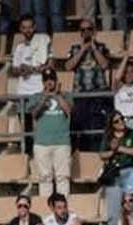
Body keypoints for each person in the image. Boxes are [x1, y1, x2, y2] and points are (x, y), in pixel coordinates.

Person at [66, 20, 112, 152]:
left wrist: (93, 48)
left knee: (99, 129)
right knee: (82, 130)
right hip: (81, 95)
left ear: (94, 31)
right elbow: (68, 66)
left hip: (99, 95)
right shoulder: (74, 49)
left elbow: (105, 65)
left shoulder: (102, 47)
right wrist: (82, 50)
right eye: (83, 30)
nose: (86, 32)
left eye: (89, 29)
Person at [32, 71, 73, 199]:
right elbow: (34, 114)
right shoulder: (36, 96)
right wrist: (45, 97)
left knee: (62, 177)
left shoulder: (66, 95)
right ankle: (46, 210)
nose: (49, 82)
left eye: (52, 79)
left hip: (62, 142)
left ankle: (63, 207)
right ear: (43, 82)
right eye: (46, 80)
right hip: (42, 143)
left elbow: (68, 111)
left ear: (56, 80)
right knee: (45, 178)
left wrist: (57, 95)